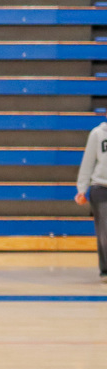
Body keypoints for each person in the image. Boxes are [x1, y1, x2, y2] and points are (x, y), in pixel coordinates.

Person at [75, 115, 107, 280]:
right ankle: (105, 269)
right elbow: (88, 162)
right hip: (101, 188)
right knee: (104, 232)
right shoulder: (97, 133)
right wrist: (82, 189)